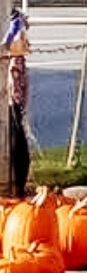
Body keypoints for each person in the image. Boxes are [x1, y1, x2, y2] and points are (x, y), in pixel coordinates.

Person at [3, 13, 27, 198]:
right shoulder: (18, 23)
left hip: (13, 78)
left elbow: (6, 43)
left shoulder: (16, 23)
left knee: (15, 129)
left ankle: (17, 185)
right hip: (15, 72)